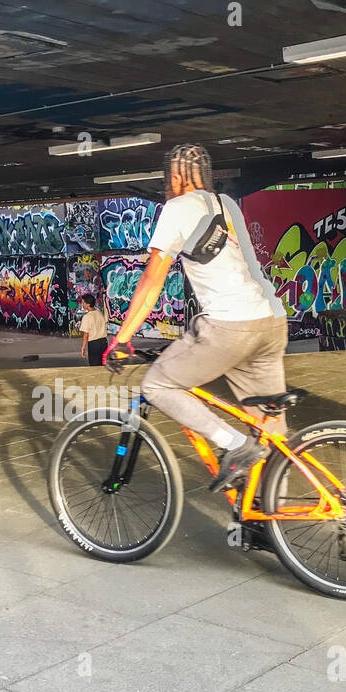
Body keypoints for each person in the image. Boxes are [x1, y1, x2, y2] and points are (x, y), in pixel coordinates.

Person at [105, 143, 287, 491]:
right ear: (206, 173)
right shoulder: (228, 204)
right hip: (272, 323)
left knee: (157, 384)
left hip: (231, 326)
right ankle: (266, 518)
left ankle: (234, 446)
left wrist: (122, 338)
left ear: (174, 175)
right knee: (269, 429)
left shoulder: (177, 207)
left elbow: (152, 279)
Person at [79, 293, 108, 366]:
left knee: (95, 366)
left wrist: (83, 348)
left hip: (94, 344)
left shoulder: (87, 317)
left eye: (83, 302)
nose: (82, 304)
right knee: (103, 365)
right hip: (104, 342)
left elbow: (86, 335)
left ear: (88, 304)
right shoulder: (99, 313)